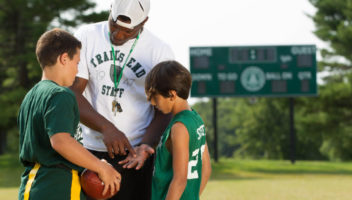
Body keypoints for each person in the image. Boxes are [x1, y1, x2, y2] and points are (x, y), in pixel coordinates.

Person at [70, 0, 175, 199]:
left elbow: (165, 110)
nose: (118, 35)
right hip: (90, 151)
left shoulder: (159, 51)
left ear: (144, 22)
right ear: (110, 11)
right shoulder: (87, 36)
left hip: (135, 157)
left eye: (128, 31)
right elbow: (72, 94)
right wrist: (106, 128)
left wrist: (146, 146)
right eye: (114, 26)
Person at [17, 28, 122, 200]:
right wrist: (101, 167)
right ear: (64, 58)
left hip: (32, 186)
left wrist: (91, 163)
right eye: (77, 62)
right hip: (58, 187)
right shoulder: (61, 94)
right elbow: (61, 141)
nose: (77, 70)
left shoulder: (31, 96)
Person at [143, 60, 212, 200]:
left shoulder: (179, 128)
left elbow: (179, 180)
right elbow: (206, 169)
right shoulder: (196, 119)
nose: (152, 103)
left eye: (155, 97)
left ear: (172, 95)